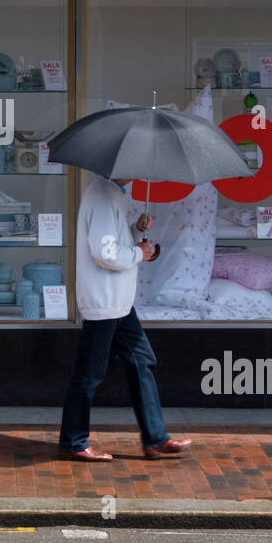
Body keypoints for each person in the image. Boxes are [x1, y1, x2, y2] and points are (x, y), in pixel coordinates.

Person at [58, 176, 192, 462]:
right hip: (105, 302)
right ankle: (73, 441)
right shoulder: (104, 196)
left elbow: (110, 242)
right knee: (89, 373)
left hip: (119, 302)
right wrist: (139, 253)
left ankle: (155, 440)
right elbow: (103, 252)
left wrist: (135, 230)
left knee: (141, 361)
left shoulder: (111, 193)